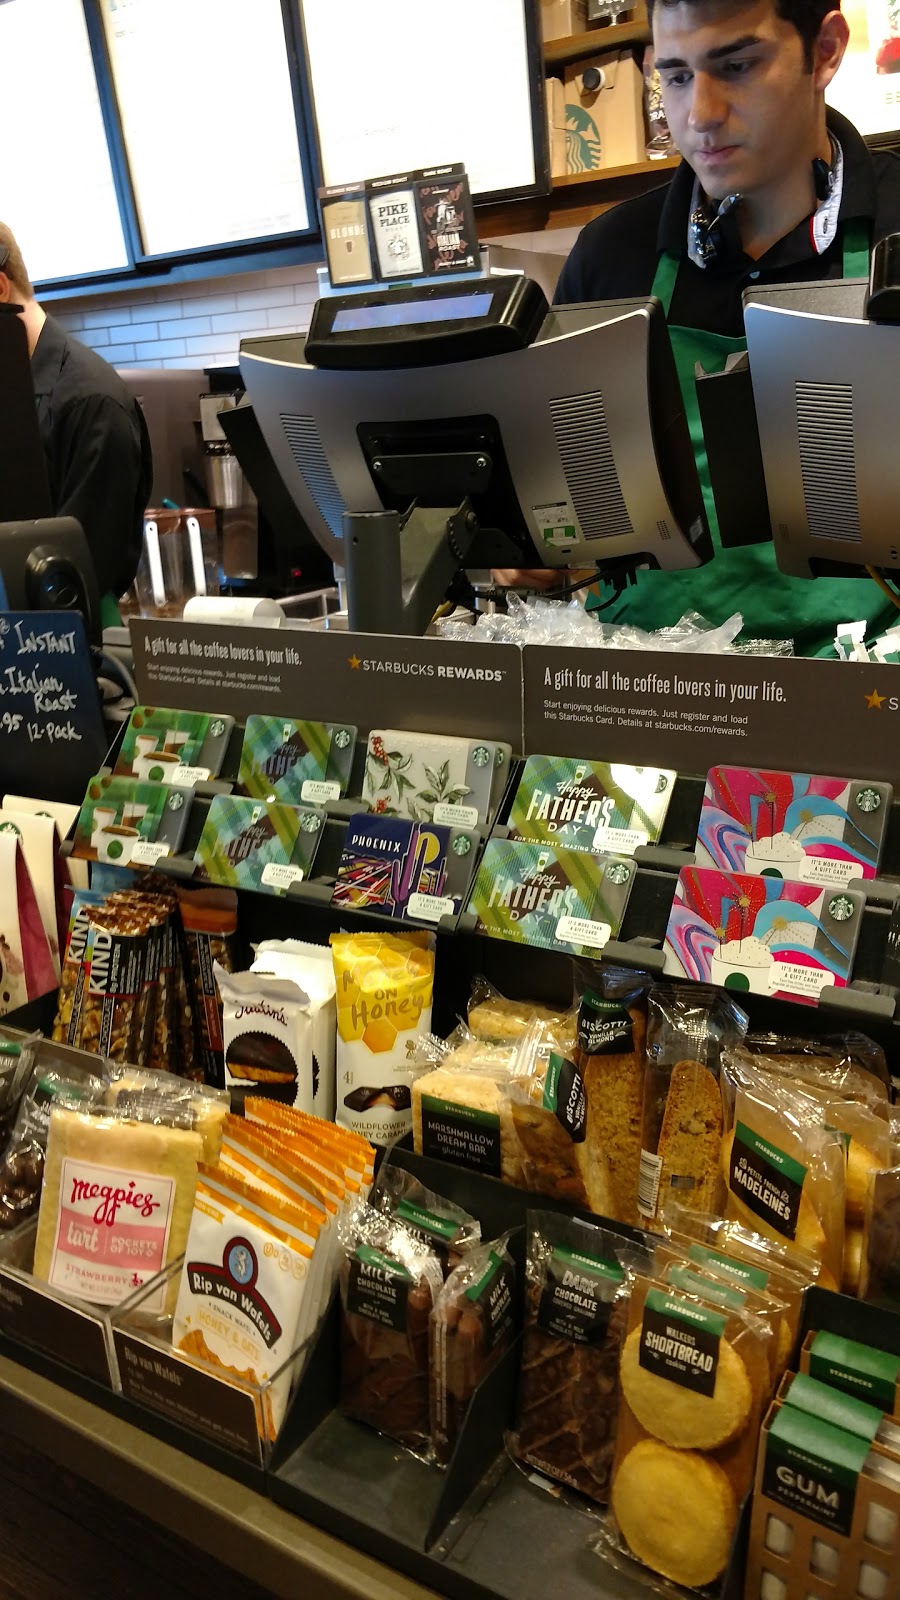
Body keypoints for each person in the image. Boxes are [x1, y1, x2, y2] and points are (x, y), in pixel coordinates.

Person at [498, 0, 900, 656]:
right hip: (648, 687)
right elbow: (559, 512)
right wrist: (536, 553)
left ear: (825, 52)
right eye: (678, 76)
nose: (700, 114)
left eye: (737, 66)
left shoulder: (895, 228)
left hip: (866, 688)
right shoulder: (609, 258)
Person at [0, 223, 152, 627]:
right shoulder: (13, 391)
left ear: (0, 288)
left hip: (71, 644)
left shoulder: (93, 403)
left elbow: (73, 573)